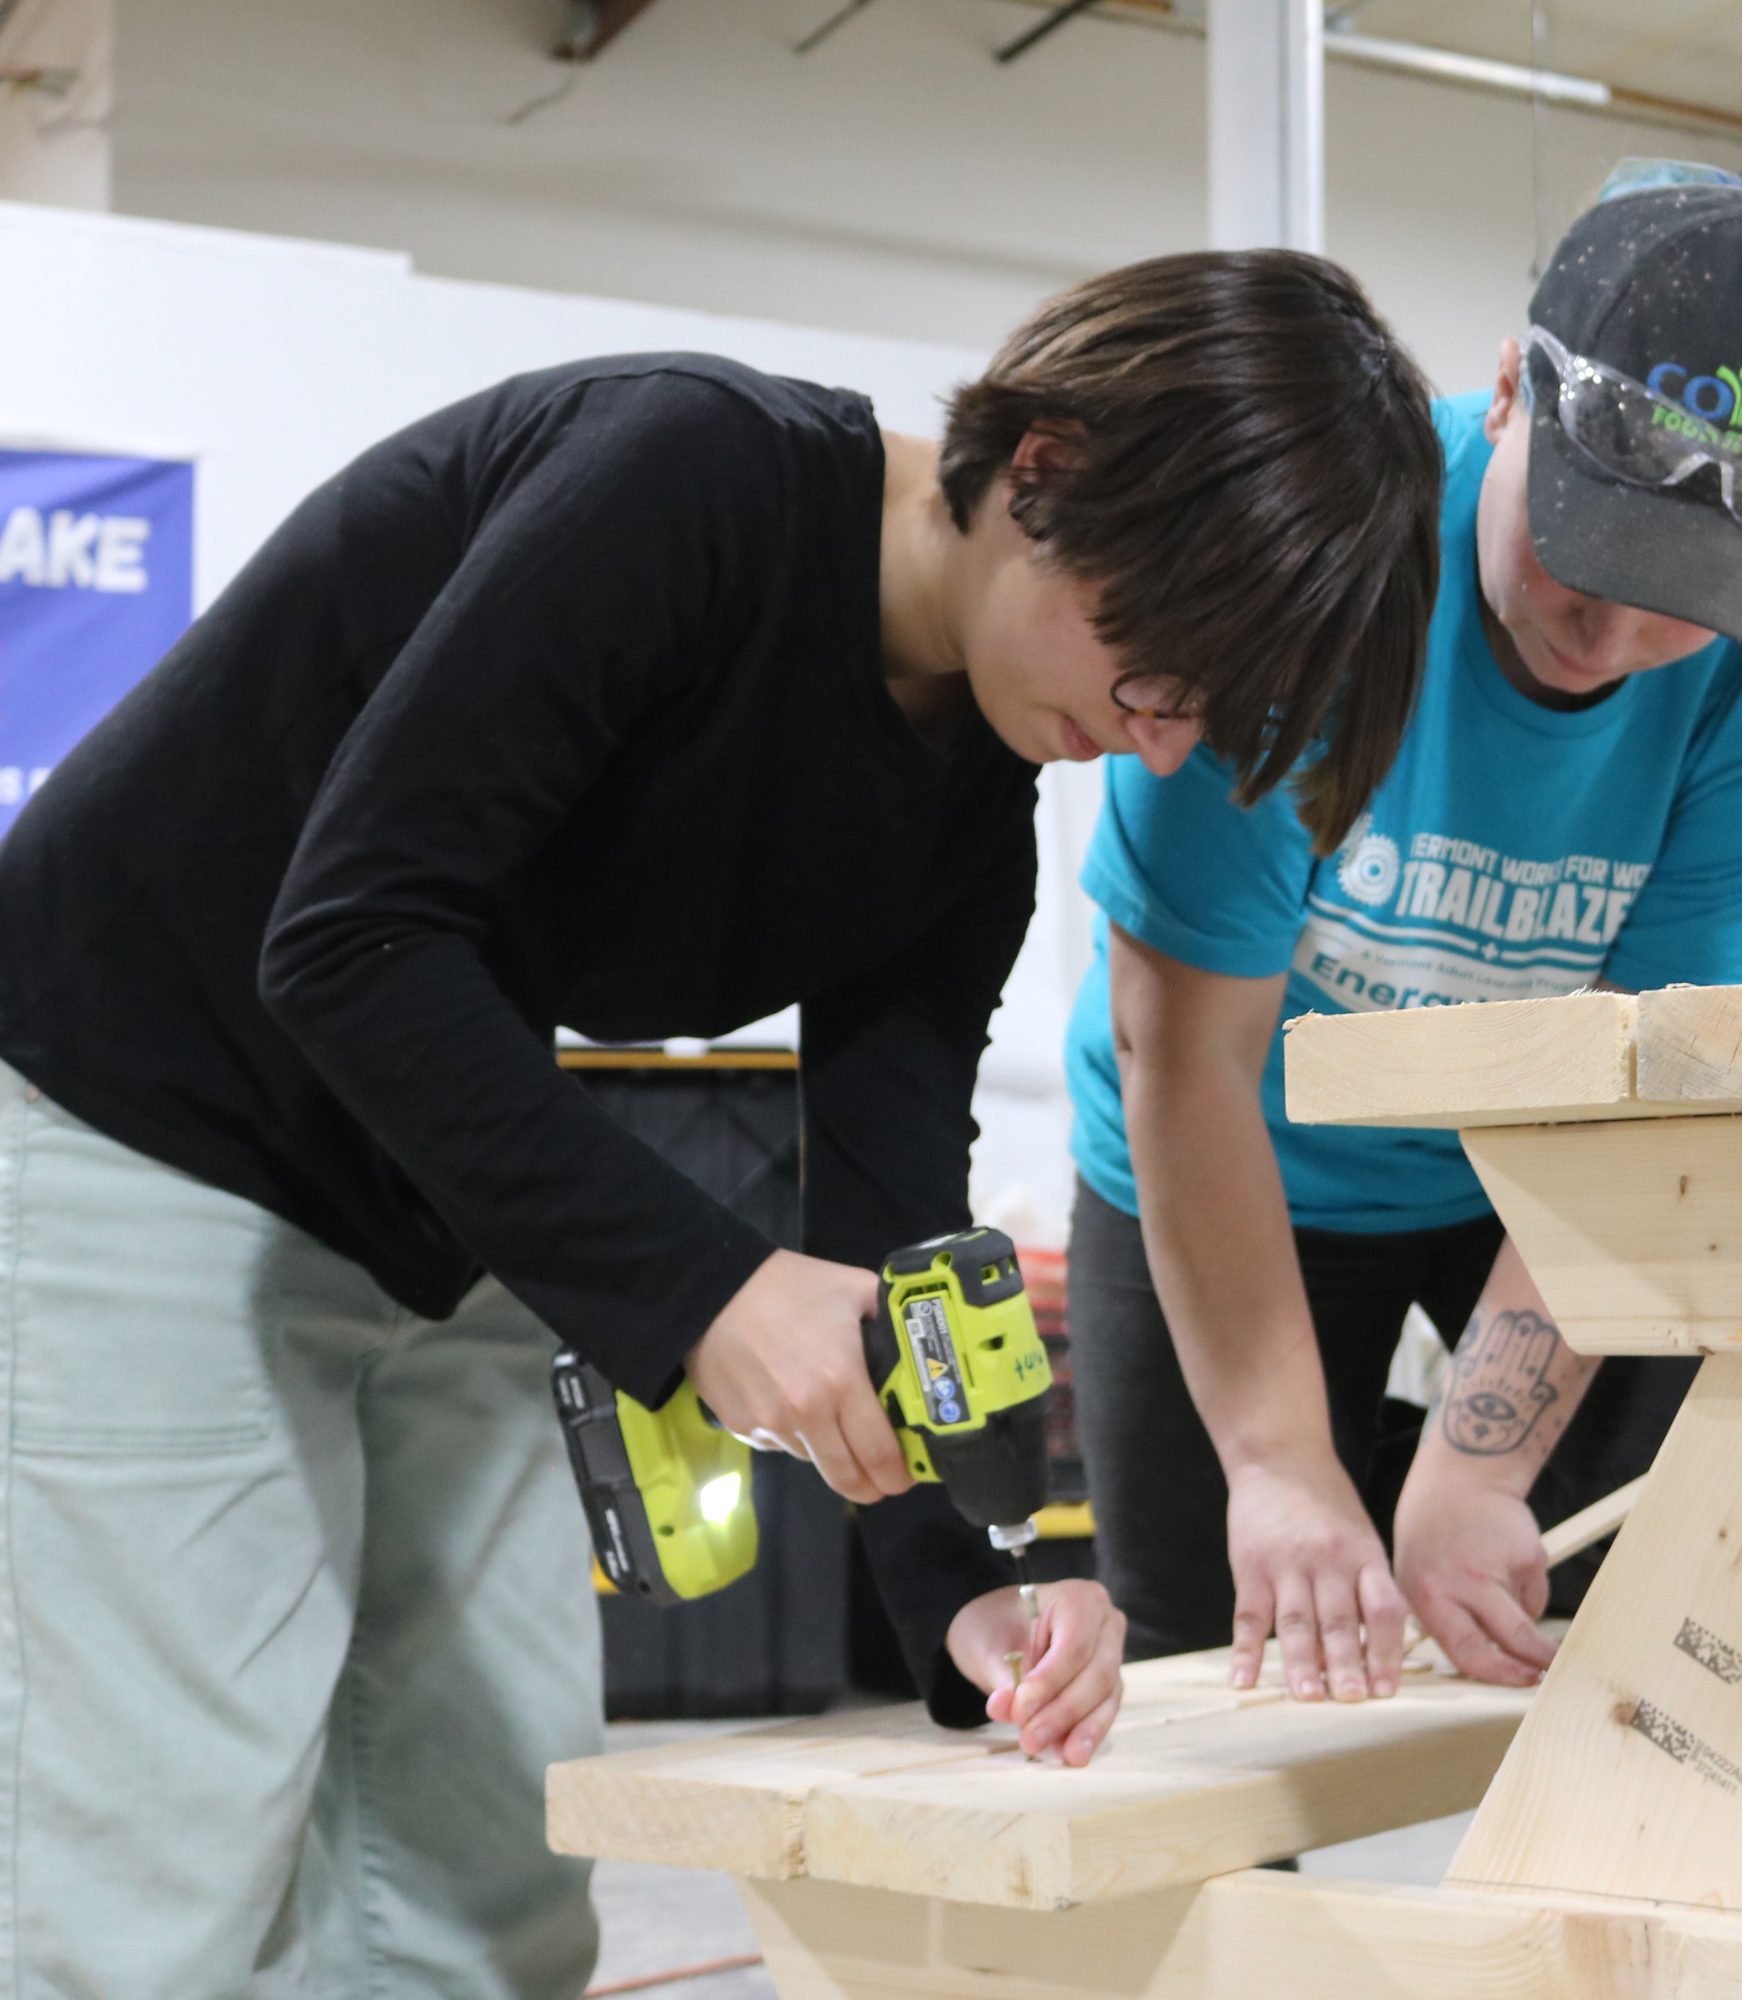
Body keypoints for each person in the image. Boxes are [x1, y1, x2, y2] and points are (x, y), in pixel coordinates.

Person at [0, 249, 1442, 1997]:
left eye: (1205, 717)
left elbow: (887, 1216)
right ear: (1043, 471)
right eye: (1153, 668)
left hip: (435, 1195)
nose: (1151, 743)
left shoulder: (976, 799)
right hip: (123, 1113)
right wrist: (707, 1294)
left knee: (481, 1872)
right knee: (156, 1873)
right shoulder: (689, 481)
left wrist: (957, 1590)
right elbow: (352, 936)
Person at [1063, 164, 1742, 1705]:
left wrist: (1473, 1468)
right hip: (1228, 1145)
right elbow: (1185, 1049)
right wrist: (1283, 1466)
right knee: (1206, 1662)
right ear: (1510, 390)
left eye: (1683, 602)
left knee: (1645, 1630)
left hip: (1542, 1165)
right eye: (1592, 560)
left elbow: (1647, 1095)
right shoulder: (1313, 569)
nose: (1617, 641)